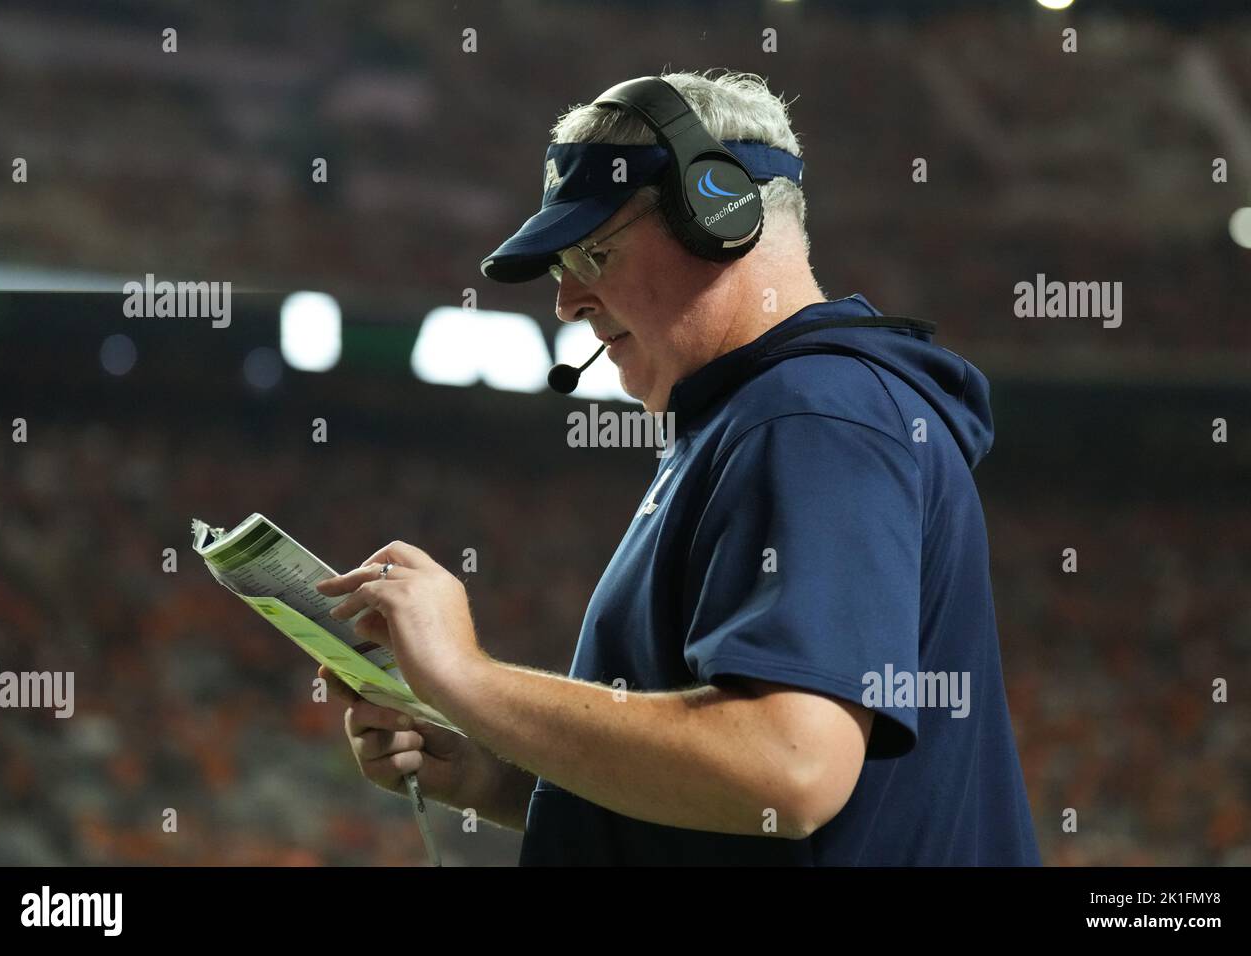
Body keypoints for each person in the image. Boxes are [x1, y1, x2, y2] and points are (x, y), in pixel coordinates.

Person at [318, 70, 1040, 865]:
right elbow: (734, 809)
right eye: (563, 268)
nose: (567, 303)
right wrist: (495, 776)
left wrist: (468, 679)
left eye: (595, 251)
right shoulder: (767, 414)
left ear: (719, 214)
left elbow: (789, 770)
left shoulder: (811, 416)